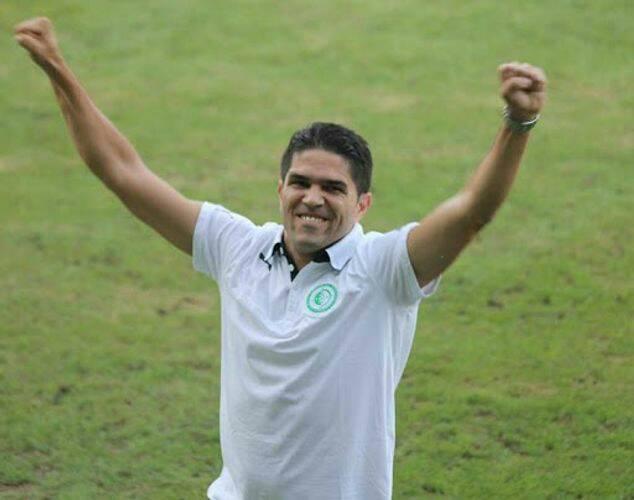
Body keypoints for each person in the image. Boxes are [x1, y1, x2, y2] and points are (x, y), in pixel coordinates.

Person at [15, 16, 547, 500]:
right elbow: (121, 171)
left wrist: (517, 124)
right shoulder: (236, 247)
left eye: (332, 188)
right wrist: (57, 68)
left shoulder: (385, 270)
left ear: (363, 204)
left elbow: (471, 212)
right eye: (300, 182)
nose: (312, 198)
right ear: (280, 189)